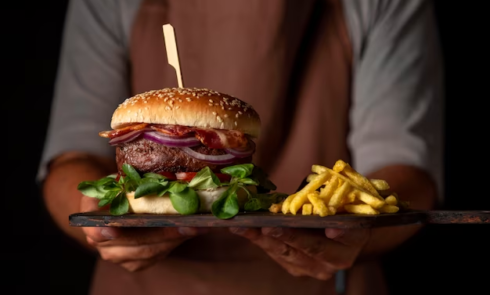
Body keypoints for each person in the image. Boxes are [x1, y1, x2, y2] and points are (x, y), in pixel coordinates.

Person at [38, 0, 443, 294]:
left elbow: (407, 169)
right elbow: (71, 155)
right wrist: (98, 218)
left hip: (323, 282)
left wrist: (355, 233)